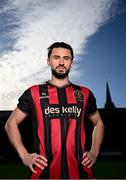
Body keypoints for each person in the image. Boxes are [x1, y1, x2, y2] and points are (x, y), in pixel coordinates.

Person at [5, 42, 104, 179]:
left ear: (72, 63)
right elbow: (11, 124)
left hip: (81, 174)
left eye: (66, 58)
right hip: (43, 174)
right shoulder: (33, 93)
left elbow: (98, 123)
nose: (61, 62)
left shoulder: (84, 93)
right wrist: (24, 155)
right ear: (49, 61)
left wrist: (94, 151)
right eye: (56, 57)